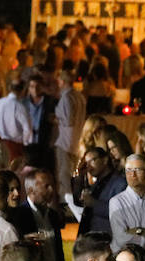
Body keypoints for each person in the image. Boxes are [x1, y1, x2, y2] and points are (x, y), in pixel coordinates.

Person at [10, 170, 66, 261]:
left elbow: (58, 251)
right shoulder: (19, 215)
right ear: (31, 190)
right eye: (46, 186)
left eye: (52, 185)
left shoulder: (52, 215)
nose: (52, 190)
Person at [109, 154, 145, 251]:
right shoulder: (116, 202)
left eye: (138, 170)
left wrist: (137, 232)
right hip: (125, 256)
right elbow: (121, 238)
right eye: (128, 170)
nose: (132, 174)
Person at [55, 71, 86, 220]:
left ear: (61, 81)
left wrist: (55, 117)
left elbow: (67, 120)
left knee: (64, 175)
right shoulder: (79, 96)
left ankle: (68, 206)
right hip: (75, 140)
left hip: (66, 141)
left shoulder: (67, 97)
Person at [75, 147, 127, 236]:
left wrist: (94, 203)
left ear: (105, 160)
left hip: (105, 238)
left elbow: (120, 213)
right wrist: (79, 177)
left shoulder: (119, 183)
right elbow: (78, 202)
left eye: (92, 161)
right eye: (86, 163)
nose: (89, 167)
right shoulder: (96, 183)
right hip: (89, 238)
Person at [0, 80, 33, 157]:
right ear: (23, 90)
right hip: (14, 146)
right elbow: (27, 129)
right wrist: (25, 143)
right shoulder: (20, 107)